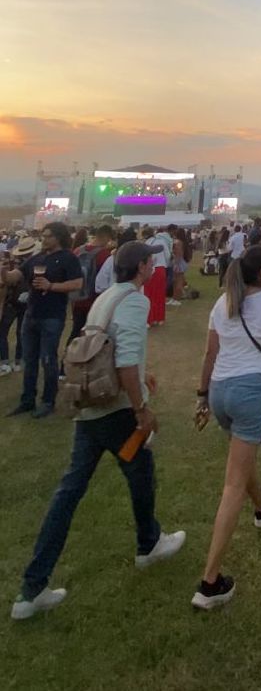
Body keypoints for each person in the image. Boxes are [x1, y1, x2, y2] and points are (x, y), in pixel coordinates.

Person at [10, 239, 185, 620]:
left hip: (90, 407)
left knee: (70, 492)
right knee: (140, 471)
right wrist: (141, 410)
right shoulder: (136, 301)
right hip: (116, 410)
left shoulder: (108, 296)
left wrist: (143, 374)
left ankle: (31, 588)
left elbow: (104, 347)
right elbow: (122, 359)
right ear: (140, 268)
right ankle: (148, 543)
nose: (154, 267)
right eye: (150, 262)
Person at [192, 245, 261, 611]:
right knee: (232, 483)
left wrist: (202, 395)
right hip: (250, 390)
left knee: (242, 456)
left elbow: (210, 354)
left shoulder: (222, 304)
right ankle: (209, 582)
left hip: (220, 390)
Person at [7, 222, 83, 419]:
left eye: (48, 235)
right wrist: (4, 270)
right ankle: (27, 400)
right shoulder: (36, 258)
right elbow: (13, 277)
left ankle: (48, 401)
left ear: (58, 237)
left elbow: (77, 283)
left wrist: (51, 286)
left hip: (52, 316)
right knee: (29, 359)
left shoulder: (68, 258)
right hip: (31, 314)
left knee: (48, 359)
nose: (44, 239)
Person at [0, 235, 39, 375]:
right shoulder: (35, 265)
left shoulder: (15, 265)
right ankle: (16, 361)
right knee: (18, 333)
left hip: (12, 303)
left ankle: (6, 362)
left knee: (8, 332)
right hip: (20, 303)